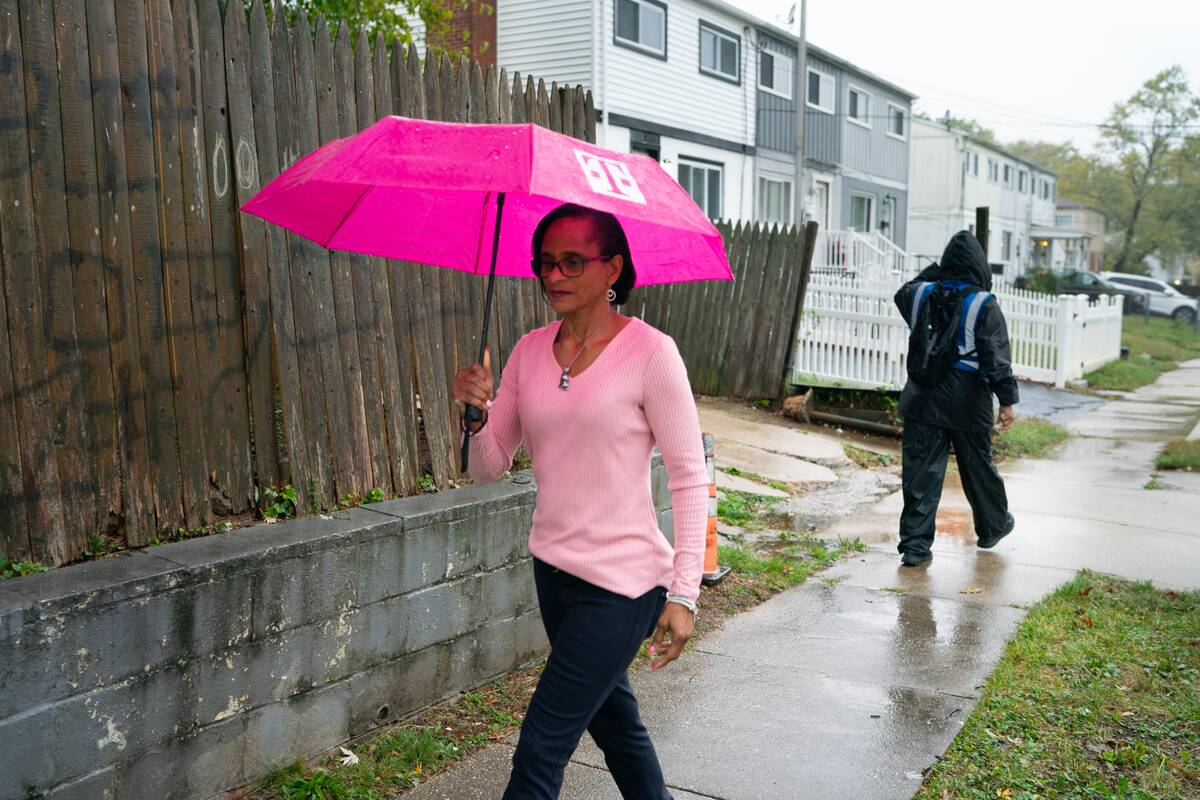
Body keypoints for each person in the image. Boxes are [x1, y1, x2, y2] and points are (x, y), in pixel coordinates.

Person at [451, 203, 708, 799]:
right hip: (555, 574)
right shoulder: (528, 350)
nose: (555, 276)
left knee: (541, 745)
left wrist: (684, 592)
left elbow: (689, 475)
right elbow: (485, 469)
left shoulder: (651, 352)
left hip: (623, 586)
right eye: (546, 263)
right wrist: (471, 414)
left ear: (613, 268)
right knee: (616, 728)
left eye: (573, 261)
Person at [893, 230, 1019, 567]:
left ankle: (915, 547)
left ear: (946, 264)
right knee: (979, 468)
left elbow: (904, 291)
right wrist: (1007, 401)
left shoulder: (918, 295)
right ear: (980, 267)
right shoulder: (984, 304)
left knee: (920, 474)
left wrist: (938, 271)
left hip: (922, 398)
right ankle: (992, 526)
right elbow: (996, 357)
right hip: (968, 401)